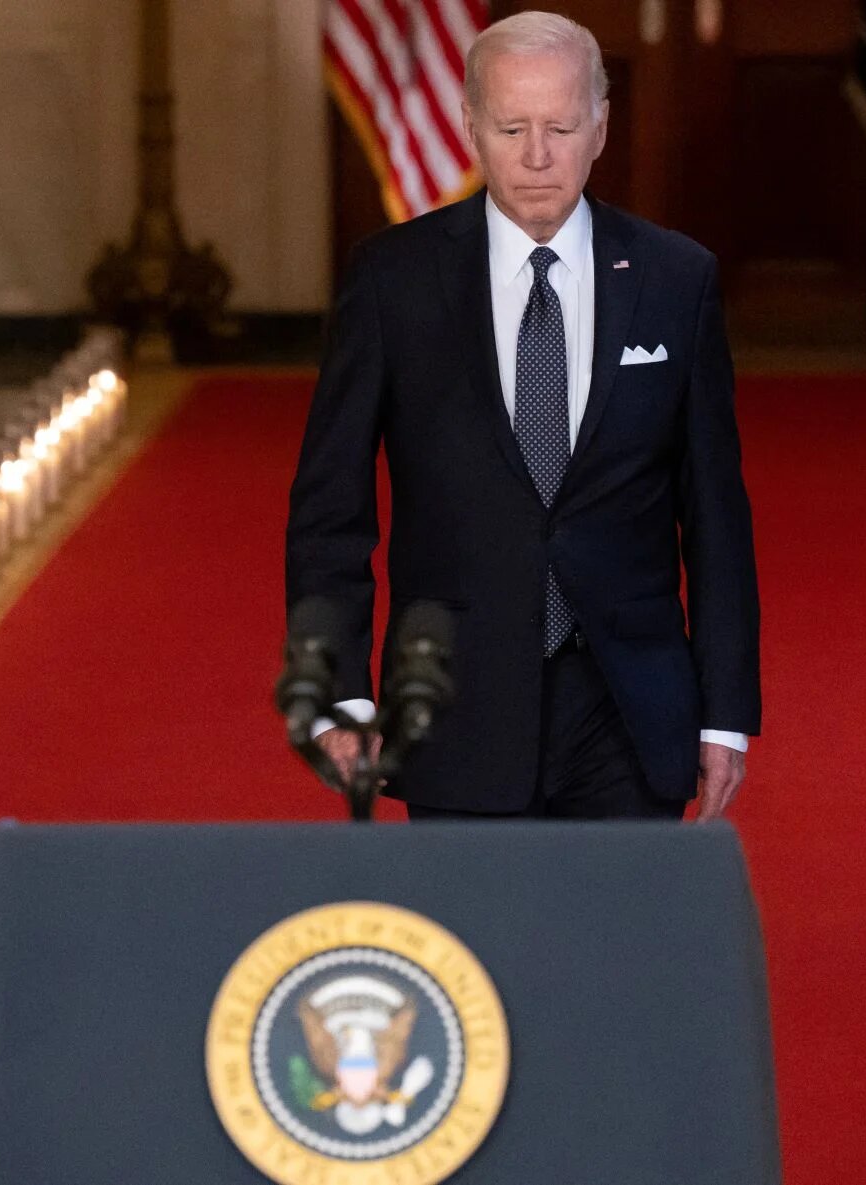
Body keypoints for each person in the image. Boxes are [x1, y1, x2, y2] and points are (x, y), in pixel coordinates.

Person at [286, 11, 759, 820]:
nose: (537, 156)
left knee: (615, 946)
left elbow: (714, 514)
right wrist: (341, 696)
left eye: (560, 126)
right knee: (474, 948)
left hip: (628, 706)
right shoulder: (392, 282)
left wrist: (725, 712)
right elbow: (332, 510)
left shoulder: (674, 278)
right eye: (511, 128)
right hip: (453, 706)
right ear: (469, 126)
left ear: (600, 127)